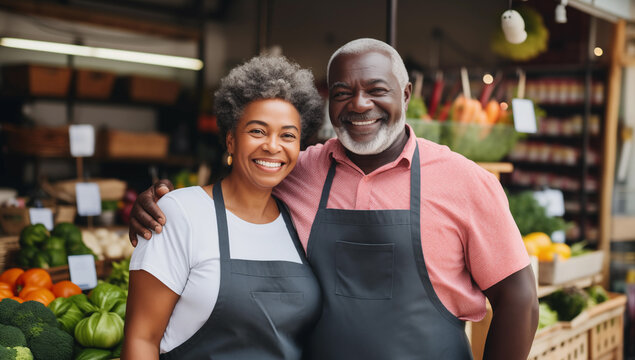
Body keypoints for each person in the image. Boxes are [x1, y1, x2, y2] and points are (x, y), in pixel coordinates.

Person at [130, 38, 539, 360]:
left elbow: (519, 298)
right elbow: (244, 180)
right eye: (343, 92)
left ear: (407, 93)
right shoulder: (303, 169)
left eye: (377, 89)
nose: (360, 105)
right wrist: (159, 202)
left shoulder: (465, 181)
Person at [121, 55, 324, 360]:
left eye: (287, 135)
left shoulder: (299, 220)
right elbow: (141, 340)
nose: (272, 145)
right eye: (257, 131)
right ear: (230, 140)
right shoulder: (181, 213)